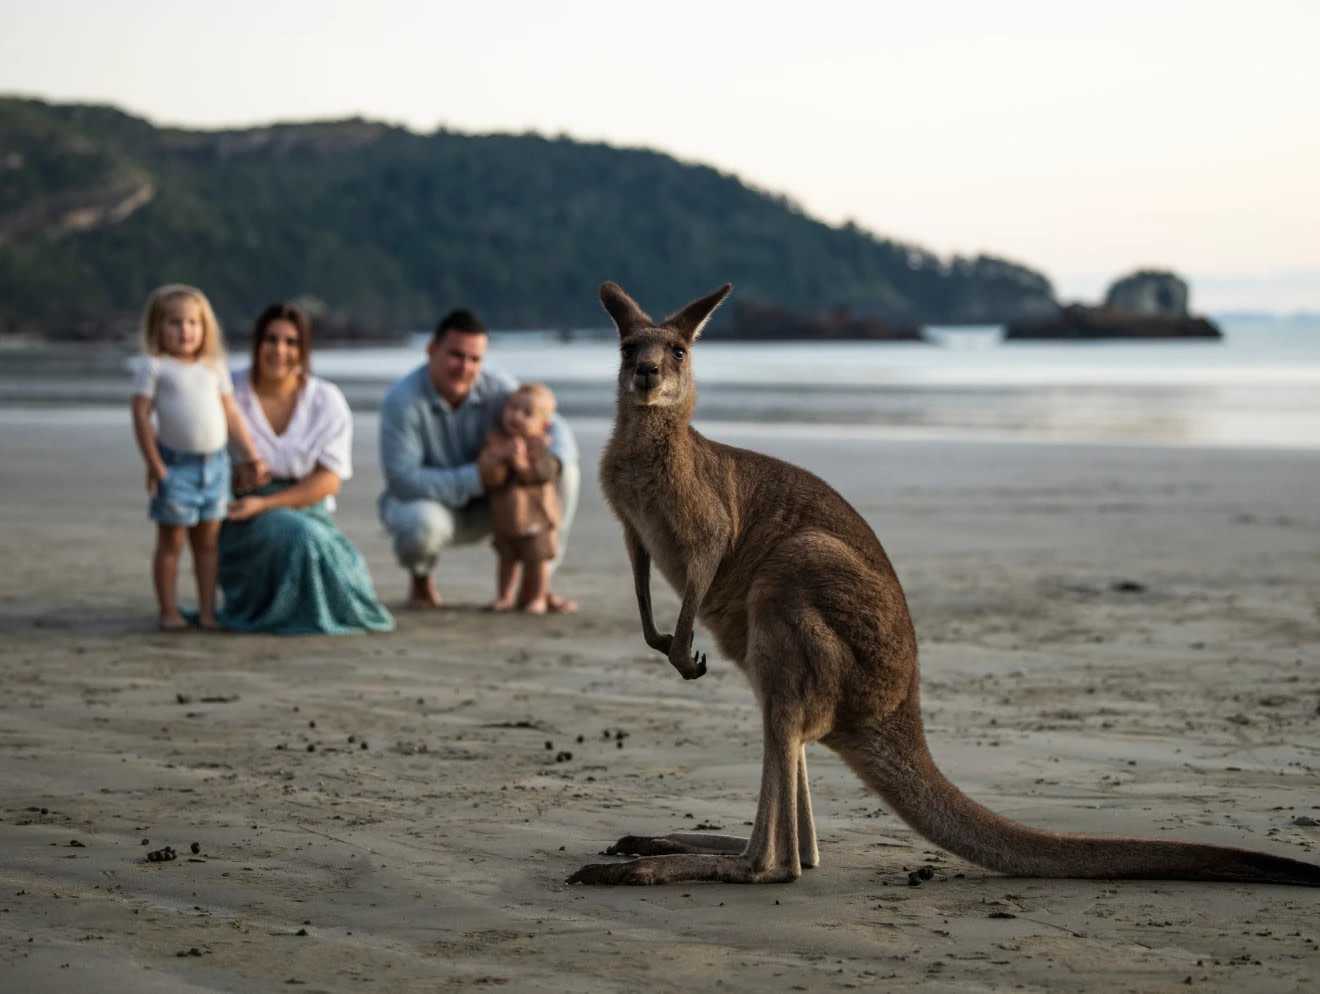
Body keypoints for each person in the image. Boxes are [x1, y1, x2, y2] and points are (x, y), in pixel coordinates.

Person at [378, 308, 579, 610]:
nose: (466, 367)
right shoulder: (402, 401)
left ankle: (539, 583)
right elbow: (402, 480)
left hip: (496, 504)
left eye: (475, 359)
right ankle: (421, 581)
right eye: (456, 355)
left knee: (564, 471)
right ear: (431, 350)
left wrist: (539, 466)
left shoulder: (497, 388)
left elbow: (555, 427)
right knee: (418, 523)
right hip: (437, 508)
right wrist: (477, 475)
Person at [215, 303, 395, 634]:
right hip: (242, 514)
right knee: (300, 537)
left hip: (309, 508)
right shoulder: (228, 392)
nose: (279, 350)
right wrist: (241, 482)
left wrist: (267, 504)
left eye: (291, 342)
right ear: (257, 342)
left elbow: (329, 480)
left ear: (304, 349)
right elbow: (206, 459)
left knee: (336, 559)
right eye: (271, 339)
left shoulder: (326, 400)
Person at [130, 284, 266, 631]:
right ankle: (169, 611)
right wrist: (154, 463)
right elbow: (141, 415)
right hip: (175, 468)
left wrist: (251, 455)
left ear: (206, 327)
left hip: (216, 467)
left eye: (193, 322)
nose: (185, 330)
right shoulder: (154, 366)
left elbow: (231, 413)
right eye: (174, 322)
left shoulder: (213, 366)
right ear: (157, 327)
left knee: (207, 545)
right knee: (171, 543)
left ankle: (207, 612)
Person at [480, 383, 562, 613]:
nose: (516, 416)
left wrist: (523, 466)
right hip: (507, 517)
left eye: (527, 413)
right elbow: (489, 477)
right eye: (512, 408)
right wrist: (501, 458)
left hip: (536, 517)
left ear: (543, 425)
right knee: (507, 559)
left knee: (538, 560)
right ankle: (505, 596)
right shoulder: (496, 442)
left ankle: (538, 597)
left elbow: (545, 474)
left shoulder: (541, 445)